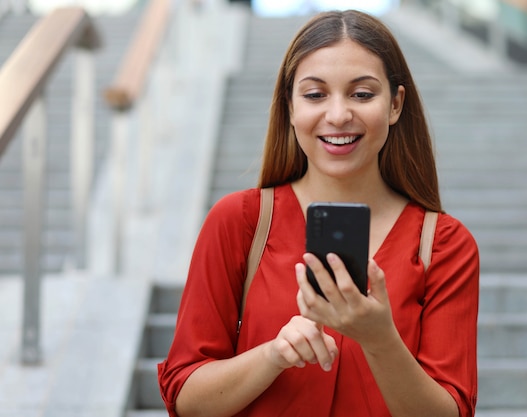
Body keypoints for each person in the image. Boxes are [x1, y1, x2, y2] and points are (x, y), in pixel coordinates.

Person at [158, 9, 479, 417]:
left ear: (396, 104)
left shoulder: (445, 244)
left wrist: (380, 340)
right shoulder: (240, 222)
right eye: (315, 95)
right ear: (290, 107)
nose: (339, 115)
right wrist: (274, 355)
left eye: (362, 94)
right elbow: (185, 398)